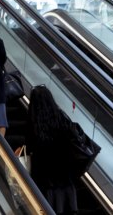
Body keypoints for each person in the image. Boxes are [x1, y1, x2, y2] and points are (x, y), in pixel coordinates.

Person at [26, 85, 78, 215]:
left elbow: (29, 147)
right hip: (65, 181)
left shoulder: (34, 126)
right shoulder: (62, 120)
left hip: (45, 182)